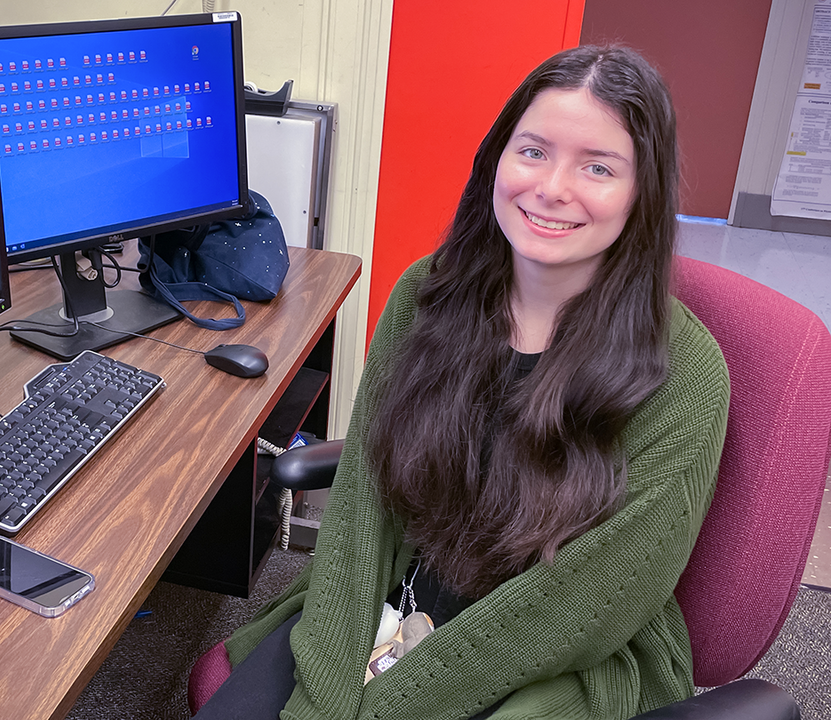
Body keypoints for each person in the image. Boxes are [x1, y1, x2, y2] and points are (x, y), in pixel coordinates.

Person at [194, 45, 730, 720]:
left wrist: (387, 706)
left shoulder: (686, 372)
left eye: (598, 166)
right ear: (497, 158)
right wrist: (328, 699)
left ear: (642, 192)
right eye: (533, 151)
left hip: (558, 655)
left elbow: (588, 602)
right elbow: (363, 510)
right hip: (402, 601)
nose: (553, 187)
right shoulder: (427, 293)